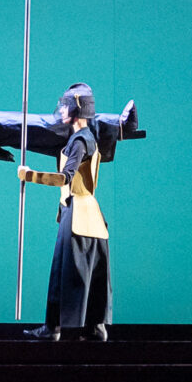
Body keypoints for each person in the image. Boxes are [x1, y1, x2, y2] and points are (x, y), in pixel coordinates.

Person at [21, 83, 118, 344]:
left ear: (77, 108)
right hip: (90, 213)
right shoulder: (89, 138)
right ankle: (95, 327)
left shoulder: (79, 140)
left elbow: (65, 177)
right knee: (93, 272)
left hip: (77, 213)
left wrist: (30, 175)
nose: (61, 110)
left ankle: (53, 328)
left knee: (63, 273)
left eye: (65, 105)